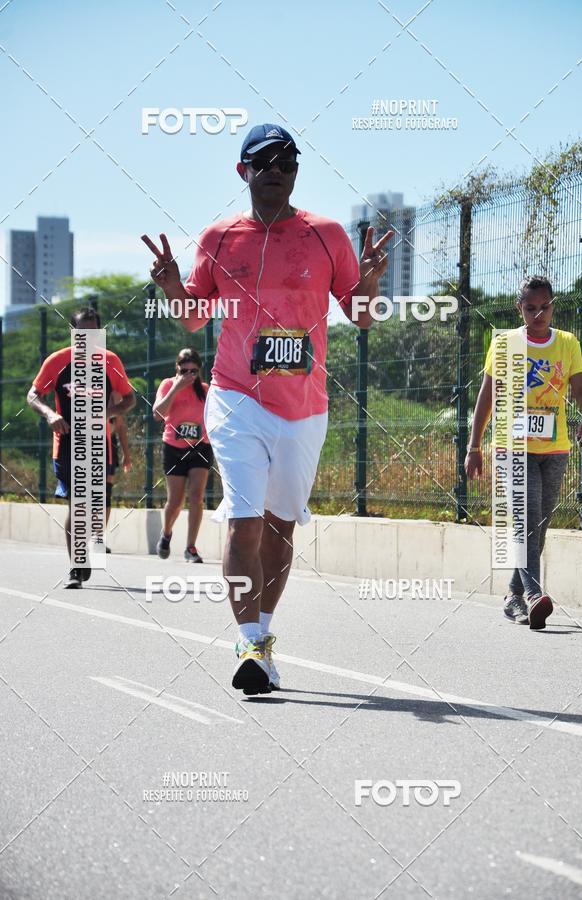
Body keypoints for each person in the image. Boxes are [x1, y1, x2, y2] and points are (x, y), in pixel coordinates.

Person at [142, 122, 392, 695]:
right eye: (265, 161)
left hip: (304, 409)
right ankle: (249, 643)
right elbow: (192, 317)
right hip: (236, 399)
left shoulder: (327, 234)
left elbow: (361, 315)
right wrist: (173, 286)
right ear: (244, 171)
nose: (276, 168)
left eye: (286, 161)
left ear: (295, 172)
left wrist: (373, 281)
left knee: (281, 528)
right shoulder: (221, 237)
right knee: (244, 517)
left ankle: (265, 632)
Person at [465, 275, 582, 629]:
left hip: (555, 449)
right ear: (518, 308)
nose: (539, 314)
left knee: (539, 524)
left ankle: (512, 595)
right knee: (525, 519)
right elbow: (486, 396)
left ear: (553, 305)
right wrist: (474, 446)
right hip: (513, 447)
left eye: (545, 307)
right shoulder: (505, 343)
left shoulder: (566, 343)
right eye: (530, 308)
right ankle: (535, 594)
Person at [27, 307, 136, 588]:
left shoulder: (110, 361)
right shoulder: (58, 362)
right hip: (67, 445)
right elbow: (33, 395)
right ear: (73, 334)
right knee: (78, 505)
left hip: (99, 443)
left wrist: (108, 410)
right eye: (82, 333)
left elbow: (129, 399)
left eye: (93, 332)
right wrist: (50, 415)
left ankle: (86, 546)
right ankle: (77, 564)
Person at [153, 348, 212, 563]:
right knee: (175, 501)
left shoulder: (205, 390)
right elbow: (158, 414)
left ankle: (191, 547)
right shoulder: (168, 385)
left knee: (197, 497)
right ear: (177, 368)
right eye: (184, 370)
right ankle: (166, 533)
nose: (189, 375)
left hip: (200, 448)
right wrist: (177, 387)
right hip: (174, 447)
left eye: (193, 371)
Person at [105, 411, 133, 552]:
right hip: (84, 443)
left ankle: (98, 537)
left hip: (108, 444)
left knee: (105, 494)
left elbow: (120, 426)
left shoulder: (114, 392)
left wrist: (126, 454)